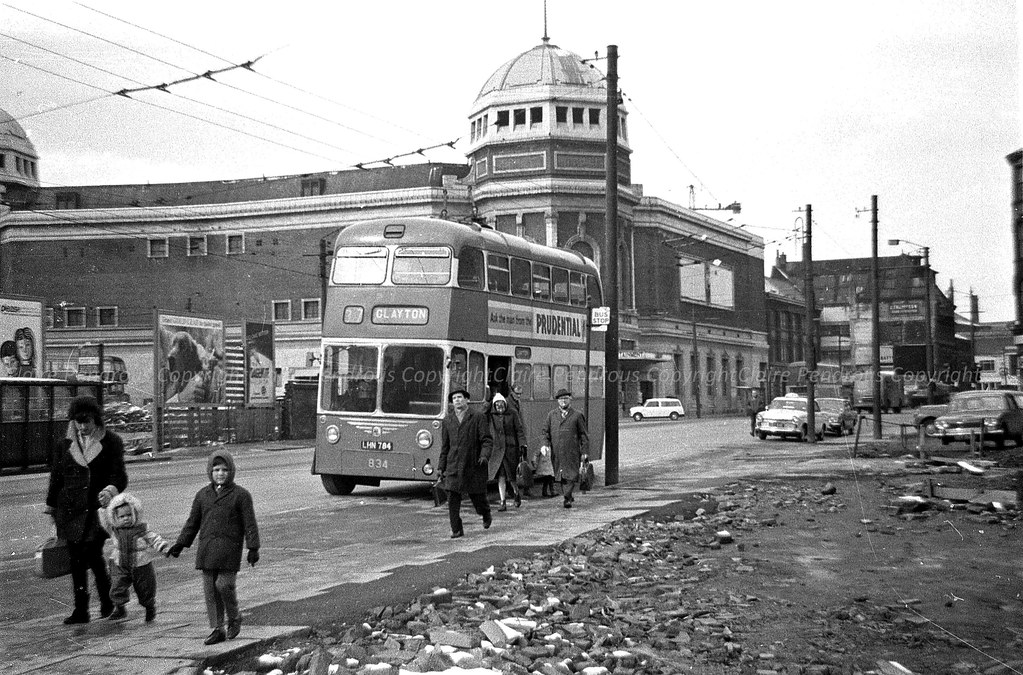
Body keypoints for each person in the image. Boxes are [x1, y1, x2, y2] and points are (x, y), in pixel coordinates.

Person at [44, 395, 128, 624]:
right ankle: (81, 610)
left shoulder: (111, 442)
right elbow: (56, 478)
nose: (82, 427)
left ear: (96, 420)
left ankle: (108, 601)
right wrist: (51, 508)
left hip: (96, 510)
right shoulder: (64, 445)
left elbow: (119, 475)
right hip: (70, 512)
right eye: (78, 422)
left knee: (92, 554)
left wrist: (110, 490)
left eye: (86, 422)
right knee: (76, 561)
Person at [168, 450, 260, 645]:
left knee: (224, 585)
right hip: (208, 549)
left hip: (229, 549)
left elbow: (249, 523)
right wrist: (180, 543)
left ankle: (234, 617)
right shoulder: (203, 495)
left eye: (225, 469)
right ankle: (217, 628)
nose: (220, 473)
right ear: (210, 471)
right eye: (216, 469)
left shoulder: (241, 495)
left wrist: (253, 548)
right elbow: (193, 522)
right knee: (210, 590)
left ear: (231, 471)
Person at [98, 492, 172, 622]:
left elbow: (154, 539)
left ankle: (149, 607)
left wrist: (163, 547)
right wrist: (104, 508)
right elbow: (105, 521)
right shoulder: (115, 530)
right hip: (120, 562)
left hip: (141, 563)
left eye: (129, 515)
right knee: (116, 586)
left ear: (135, 514)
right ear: (115, 517)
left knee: (145, 588)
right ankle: (120, 607)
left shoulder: (142, 529)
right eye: (122, 516)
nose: (125, 518)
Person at [437, 388, 493, 538]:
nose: (457, 400)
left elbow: (487, 440)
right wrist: (441, 467)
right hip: (453, 464)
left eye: (460, 397)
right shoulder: (448, 420)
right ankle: (456, 529)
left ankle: (485, 513)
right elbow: (445, 446)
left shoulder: (478, 417)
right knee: (452, 498)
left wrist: (484, 456)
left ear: (467, 400)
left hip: (474, 464)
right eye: (454, 398)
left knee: (477, 497)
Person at [541, 388, 589, 509]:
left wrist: (585, 452)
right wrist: (545, 444)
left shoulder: (577, 415)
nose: (563, 401)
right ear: (557, 401)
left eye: (566, 398)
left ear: (570, 399)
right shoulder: (552, 415)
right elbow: (545, 432)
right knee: (561, 475)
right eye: (561, 399)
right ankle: (568, 495)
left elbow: (583, 435)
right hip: (557, 452)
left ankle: (567, 498)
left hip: (572, 451)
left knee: (571, 475)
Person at [486, 393, 528, 511]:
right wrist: (488, 401)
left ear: (505, 404)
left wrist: (522, 444)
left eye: (501, 404)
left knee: (512, 477)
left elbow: (519, 430)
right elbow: (483, 412)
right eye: (497, 405)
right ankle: (502, 501)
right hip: (498, 451)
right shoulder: (491, 415)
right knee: (501, 476)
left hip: (510, 449)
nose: (500, 407)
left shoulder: (513, 413)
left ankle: (516, 493)